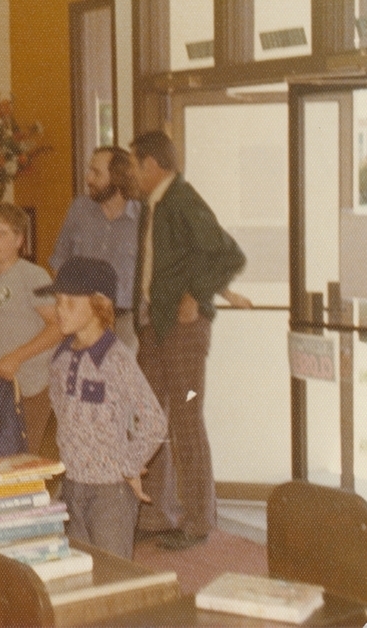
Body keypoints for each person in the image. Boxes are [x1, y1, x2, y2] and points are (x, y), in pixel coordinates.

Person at [130, 130, 247, 550]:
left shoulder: (180, 198)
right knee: (150, 419)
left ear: (153, 165)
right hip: (156, 327)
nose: (131, 172)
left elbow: (228, 253)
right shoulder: (156, 205)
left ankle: (198, 521)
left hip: (182, 331)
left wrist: (196, 295)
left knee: (184, 420)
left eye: (134, 163)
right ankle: (156, 513)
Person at [37, 256, 166, 560]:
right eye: (57, 300)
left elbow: (154, 422)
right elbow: (60, 411)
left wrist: (129, 465)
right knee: (79, 567)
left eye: (70, 301)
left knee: (113, 571)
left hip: (110, 493)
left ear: (99, 305)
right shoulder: (61, 358)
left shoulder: (116, 359)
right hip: (71, 487)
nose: (59, 309)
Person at [0, 202, 62, 455]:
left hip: (27, 386)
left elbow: (58, 327)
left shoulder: (33, 276)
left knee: (20, 460)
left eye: (2, 233)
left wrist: (17, 356)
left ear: (19, 239)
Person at [50, 146, 141, 353]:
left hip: (125, 324)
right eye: (89, 171)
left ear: (118, 178)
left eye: (96, 173)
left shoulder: (142, 218)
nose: (88, 178)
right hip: (82, 321)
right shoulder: (79, 209)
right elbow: (58, 263)